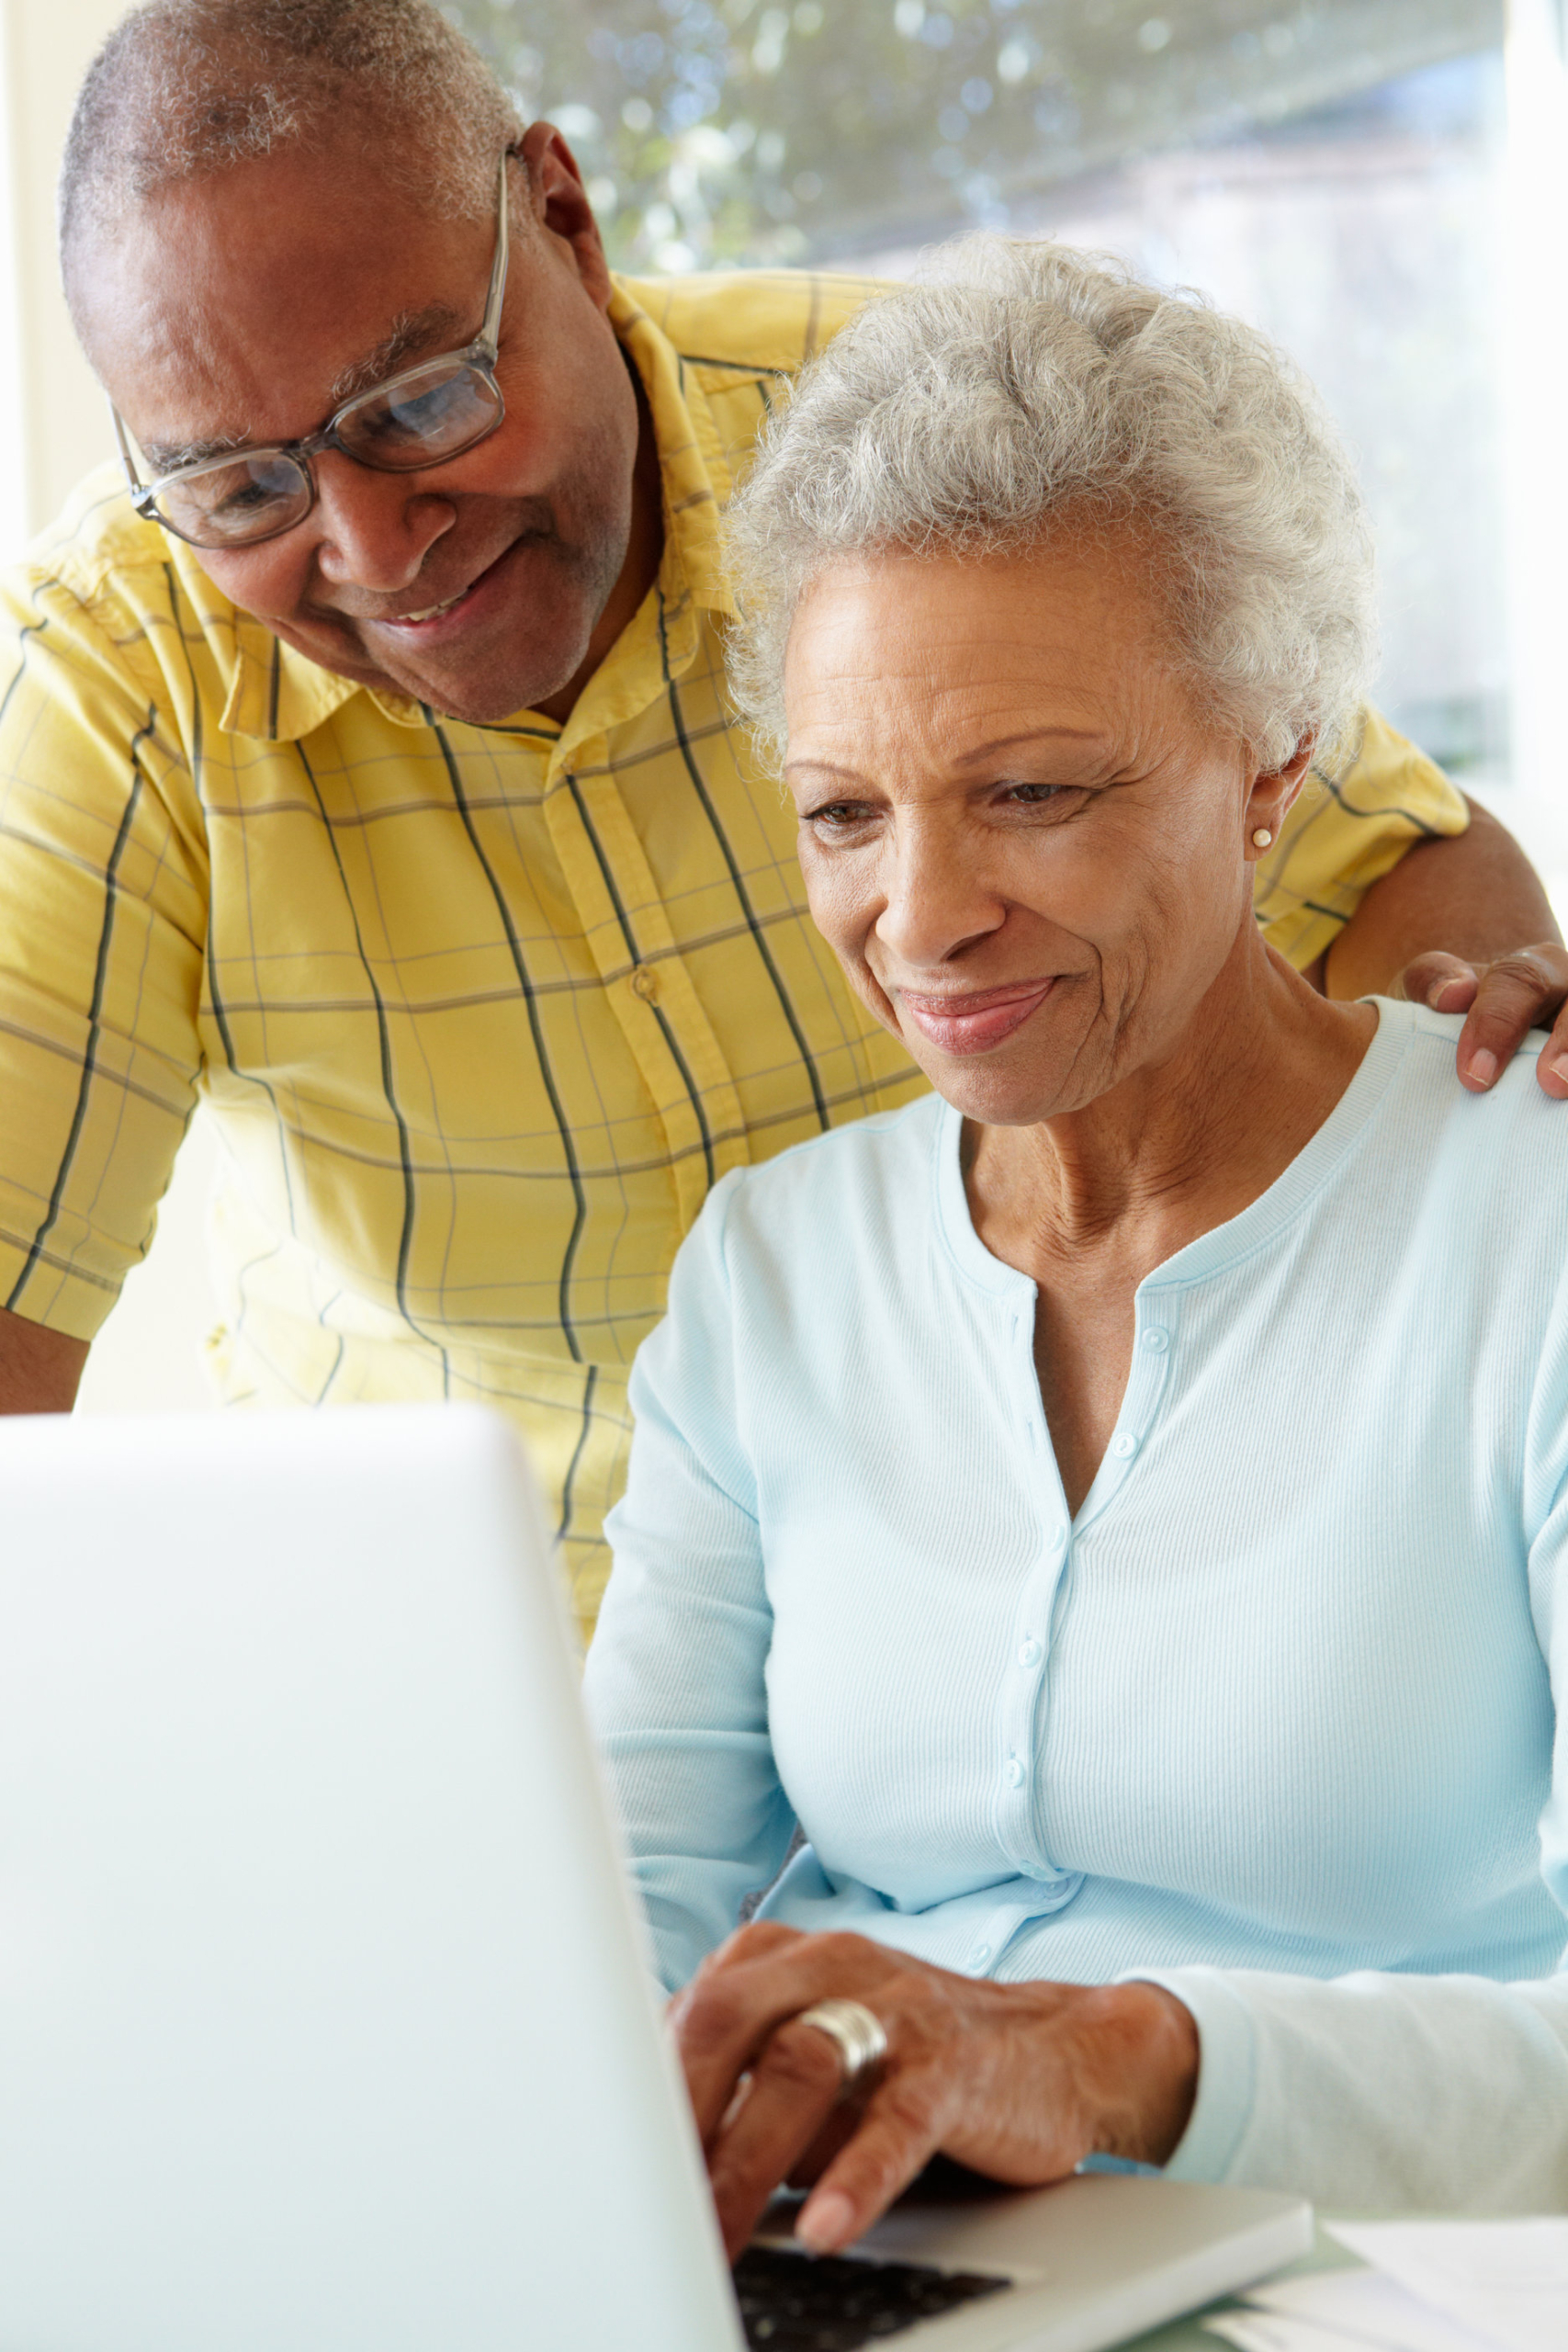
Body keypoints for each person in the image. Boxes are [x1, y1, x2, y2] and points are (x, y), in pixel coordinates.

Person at [1, 0, 1563, 1637]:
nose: (378, 551)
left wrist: (1454, 1208)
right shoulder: (119, 688)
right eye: (242, 490)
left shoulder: (908, 453)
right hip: (503, 1690)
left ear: (564, 219)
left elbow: (1387, 855)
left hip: (1059, 1632)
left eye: (421, 404)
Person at [582, 241, 1568, 2251]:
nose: (919, 916)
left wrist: (1118, 2054)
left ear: (1273, 758)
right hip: (868, 2260)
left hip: (1379, 2268)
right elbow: (605, 1928)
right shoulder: (769, 1273)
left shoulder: (1523, 1207)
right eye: (842, 811)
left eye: (1028, 792)